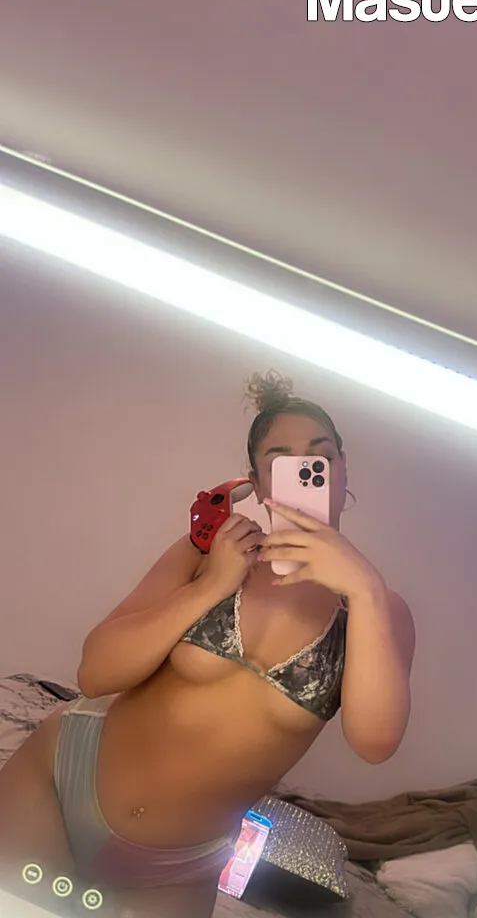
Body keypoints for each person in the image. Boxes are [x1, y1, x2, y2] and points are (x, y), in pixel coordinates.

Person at [0, 371, 416, 918]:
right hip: (57, 784)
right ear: (258, 484)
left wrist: (364, 589)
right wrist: (212, 585)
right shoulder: (209, 552)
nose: (304, 470)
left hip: (177, 868)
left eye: (320, 457)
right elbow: (95, 674)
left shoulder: (376, 607)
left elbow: (375, 742)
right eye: (281, 461)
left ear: (342, 470)